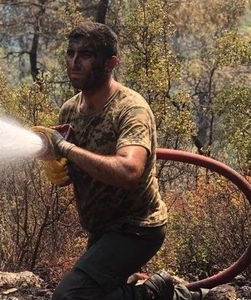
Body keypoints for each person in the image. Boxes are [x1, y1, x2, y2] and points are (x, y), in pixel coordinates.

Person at [33, 21, 206, 300]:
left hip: (137, 228)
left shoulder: (130, 109)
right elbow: (79, 163)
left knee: (69, 297)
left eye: (86, 55)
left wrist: (65, 149)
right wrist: (59, 166)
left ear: (110, 62)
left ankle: (159, 291)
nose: (74, 62)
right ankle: (136, 285)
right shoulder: (69, 111)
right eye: (70, 53)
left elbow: (129, 171)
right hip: (102, 231)